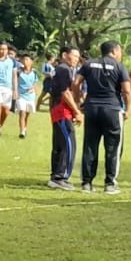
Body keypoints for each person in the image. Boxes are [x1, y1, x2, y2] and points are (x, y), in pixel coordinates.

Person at [72, 41, 131, 194]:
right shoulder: (120, 67)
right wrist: (128, 109)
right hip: (112, 109)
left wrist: (78, 102)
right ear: (115, 51)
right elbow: (126, 90)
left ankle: (86, 183)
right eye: (120, 52)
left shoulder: (89, 64)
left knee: (90, 146)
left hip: (92, 108)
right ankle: (110, 184)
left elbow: (76, 83)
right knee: (113, 148)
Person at [47, 46, 82, 190]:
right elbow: (65, 93)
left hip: (58, 110)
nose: (76, 59)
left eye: (77, 57)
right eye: (74, 56)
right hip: (62, 111)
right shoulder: (63, 69)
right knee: (69, 144)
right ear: (64, 55)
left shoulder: (61, 69)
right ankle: (60, 177)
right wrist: (77, 111)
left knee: (59, 144)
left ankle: (55, 176)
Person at [15, 53, 38, 139]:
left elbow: (35, 83)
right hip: (21, 95)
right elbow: (15, 82)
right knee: (22, 113)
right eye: (23, 59)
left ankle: (25, 128)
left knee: (27, 115)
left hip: (30, 96)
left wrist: (33, 89)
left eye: (27, 59)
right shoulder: (18, 71)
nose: (25, 61)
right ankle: (22, 131)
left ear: (31, 62)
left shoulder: (34, 72)